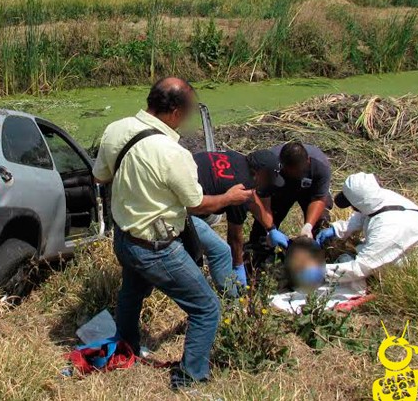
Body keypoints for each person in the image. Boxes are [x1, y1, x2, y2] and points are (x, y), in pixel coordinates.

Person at [92, 77, 253, 389]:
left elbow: (101, 175)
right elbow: (196, 205)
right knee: (206, 308)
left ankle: (126, 347)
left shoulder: (116, 129)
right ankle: (189, 378)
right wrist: (230, 198)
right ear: (177, 112)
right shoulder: (173, 154)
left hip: (124, 239)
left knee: (131, 294)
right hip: (157, 249)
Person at [316, 172, 418, 283]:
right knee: (362, 252)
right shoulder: (379, 198)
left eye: (351, 204)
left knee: (371, 267)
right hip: (403, 247)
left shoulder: (389, 228)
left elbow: (360, 268)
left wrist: (320, 272)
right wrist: (337, 229)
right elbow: (363, 214)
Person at [191, 149, 285, 287]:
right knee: (220, 251)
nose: (268, 184)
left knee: (210, 225)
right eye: (269, 179)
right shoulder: (240, 187)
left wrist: (271, 228)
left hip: (182, 184)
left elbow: (252, 197)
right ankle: (231, 296)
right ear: (261, 173)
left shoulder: (237, 158)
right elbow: (235, 237)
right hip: (181, 207)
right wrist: (238, 265)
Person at [249, 140, 333, 268]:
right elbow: (262, 199)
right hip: (280, 190)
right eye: (291, 172)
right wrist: (270, 228)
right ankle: (257, 266)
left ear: (308, 161)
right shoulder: (270, 164)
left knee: (321, 223)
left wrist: (309, 226)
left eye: (299, 171)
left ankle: (322, 261)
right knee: (262, 233)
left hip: (309, 191)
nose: (295, 175)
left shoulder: (320, 166)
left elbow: (319, 198)